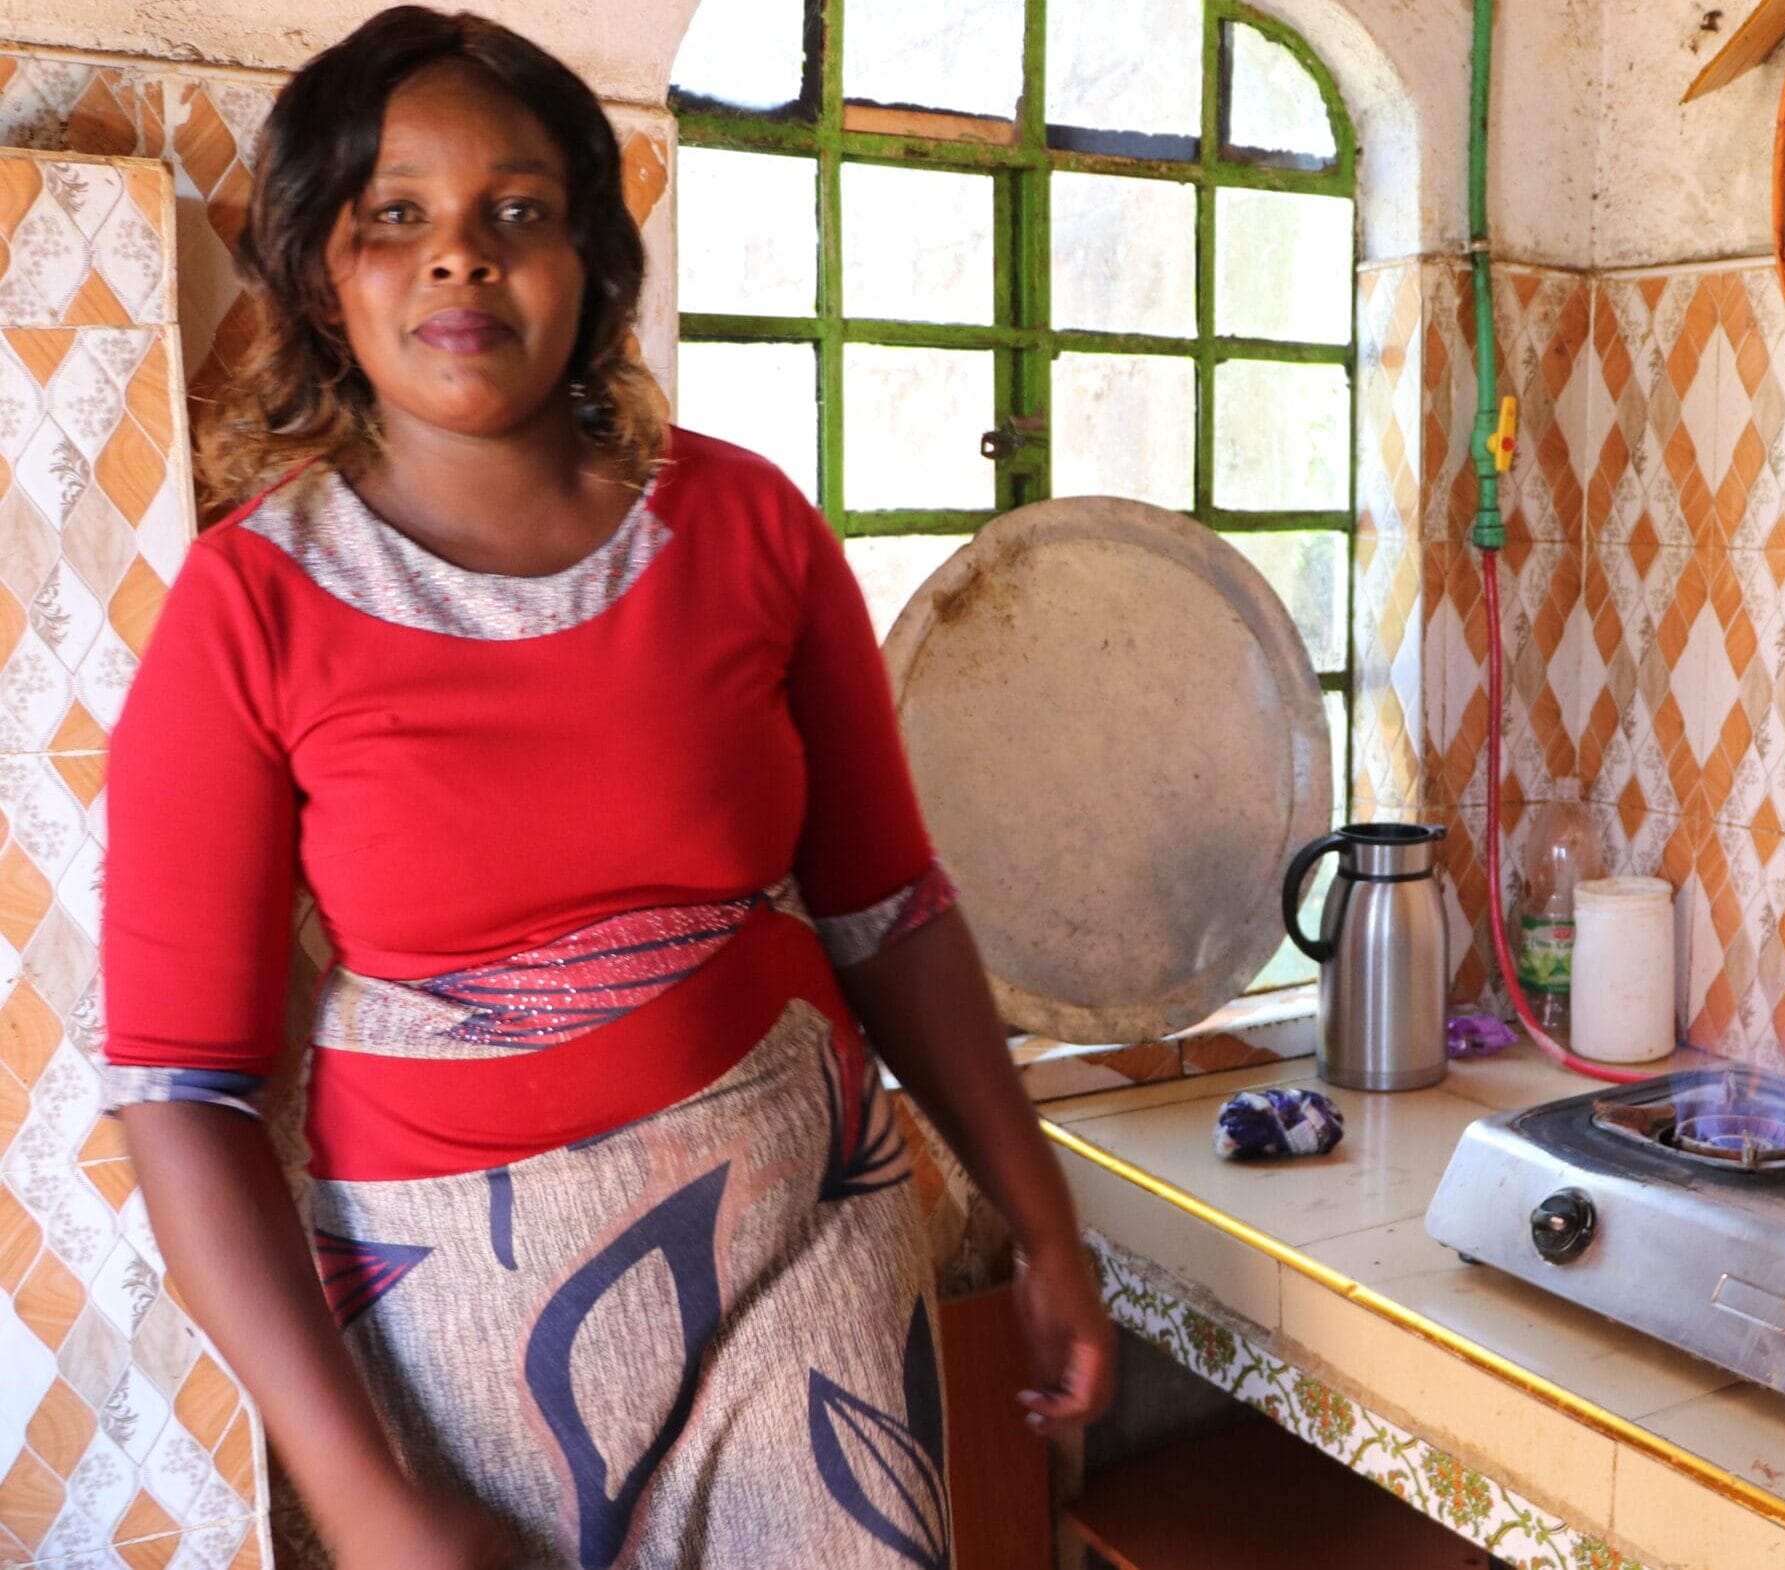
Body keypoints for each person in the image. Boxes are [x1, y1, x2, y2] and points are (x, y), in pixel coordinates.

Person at [100, 10, 1114, 1567]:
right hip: (461, 1322)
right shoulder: (252, 604)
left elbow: (889, 911)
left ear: (592, 261)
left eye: (518, 211)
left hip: (810, 1243)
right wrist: (371, 1505)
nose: (462, 258)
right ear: (323, 272)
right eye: (398, 217)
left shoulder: (749, 529)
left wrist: (1040, 1217)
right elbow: (186, 1094)